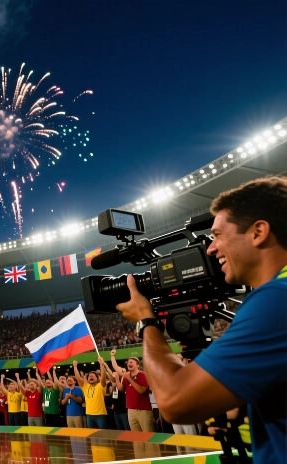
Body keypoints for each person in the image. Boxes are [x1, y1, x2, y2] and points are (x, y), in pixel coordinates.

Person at [115, 176, 287, 462]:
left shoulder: (276, 300)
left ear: (258, 232)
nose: (210, 248)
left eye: (218, 235)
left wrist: (146, 321)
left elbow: (175, 401)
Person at [110, 350, 153, 431]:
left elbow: (141, 391)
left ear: (137, 365)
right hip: (130, 410)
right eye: (128, 362)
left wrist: (129, 379)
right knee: (135, 435)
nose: (129, 363)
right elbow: (122, 389)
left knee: (148, 435)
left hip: (143, 410)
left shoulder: (142, 375)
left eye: (131, 362)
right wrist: (117, 379)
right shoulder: (127, 376)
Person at [74, 359, 108, 429]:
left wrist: (102, 365)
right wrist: (75, 366)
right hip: (89, 415)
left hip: (100, 415)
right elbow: (77, 377)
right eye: (89, 376)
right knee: (92, 435)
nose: (91, 377)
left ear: (97, 379)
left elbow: (103, 377)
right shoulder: (86, 386)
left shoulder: (101, 386)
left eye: (93, 376)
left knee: (102, 434)